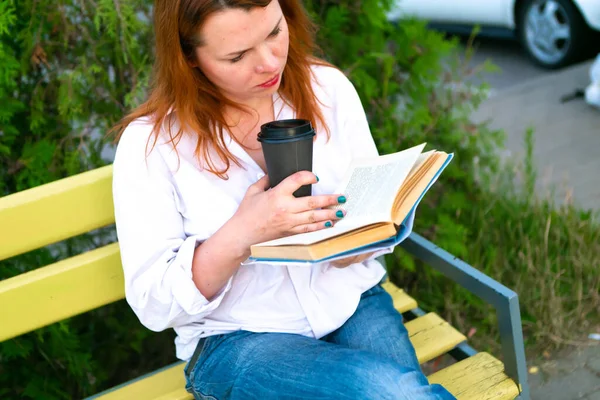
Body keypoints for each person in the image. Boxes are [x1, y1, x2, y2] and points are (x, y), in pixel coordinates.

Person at [111, 0, 456, 399]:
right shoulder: (153, 145)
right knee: (395, 394)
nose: (268, 62)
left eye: (275, 32)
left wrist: (356, 243)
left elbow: (368, 212)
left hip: (350, 301)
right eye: (237, 55)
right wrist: (244, 232)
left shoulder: (327, 90)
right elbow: (154, 303)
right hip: (239, 339)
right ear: (188, 57)